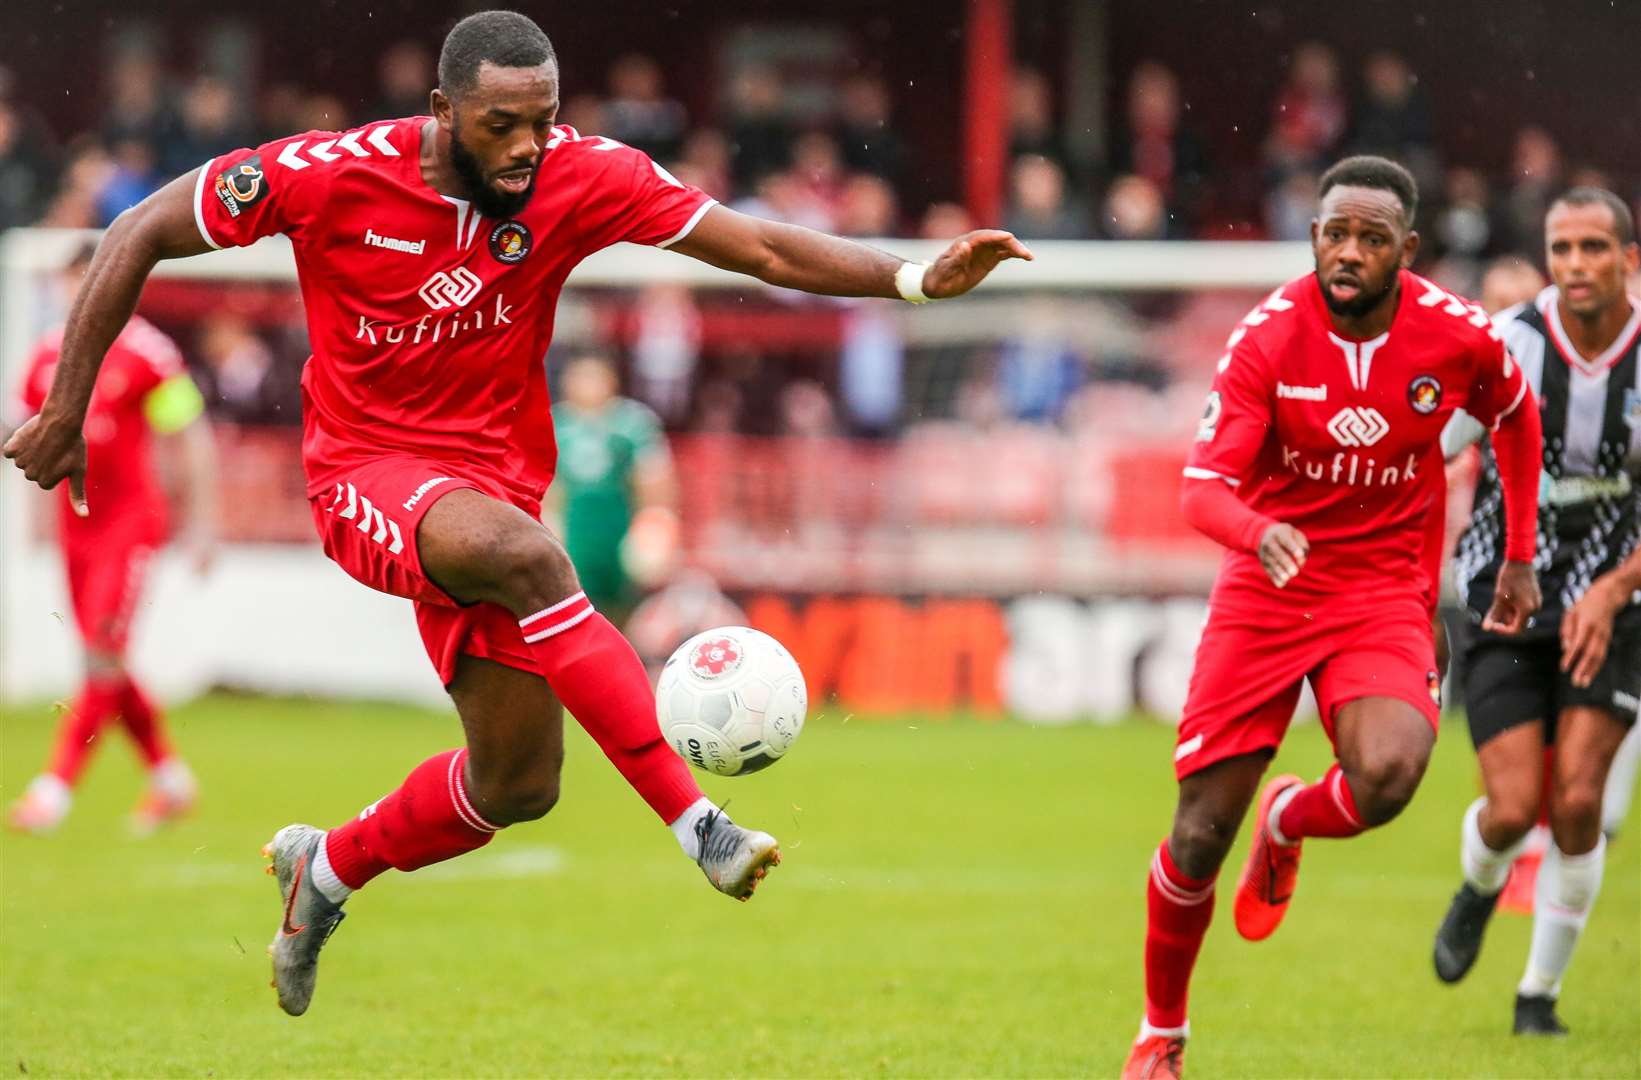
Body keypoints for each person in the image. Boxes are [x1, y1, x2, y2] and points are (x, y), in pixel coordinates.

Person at [2, 10, 1031, 1018]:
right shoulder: (326, 173)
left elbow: (755, 246)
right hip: (364, 471)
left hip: (490, 492)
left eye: (544, 118)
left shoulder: (581, 172)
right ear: (445, 110)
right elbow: (136, 231)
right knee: (532, 559)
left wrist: (911, 279)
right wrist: (62, 409)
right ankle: (699, 824)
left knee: (517, 784)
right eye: (504, 124)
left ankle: (326, 869)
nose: (530, 145)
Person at [1121, 155, 1543, 1080]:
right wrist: (1256, 526)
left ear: (1408, 250)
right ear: (1314, 235)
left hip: (1381, 588)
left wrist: (1517, 552)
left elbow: (1514, 413)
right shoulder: (1266, 339)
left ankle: (1291, 819)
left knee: (1390, 773)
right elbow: (1201, 491)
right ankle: (1161, 1031)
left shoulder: (1456, 337)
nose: (1347, 252)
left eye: (1370, 238)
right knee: (1196, 833)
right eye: (1333, 234)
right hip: (1266, 592)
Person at [1432, 187, 1640, 1036]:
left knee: (1581, 801)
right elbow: (1427, 452)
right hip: (1504, 598)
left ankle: (1536, 998)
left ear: (1627, 259)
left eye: (1593, 248)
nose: (1575, 265)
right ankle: (1478, 887)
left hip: (1617, 603)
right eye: (1561, 249)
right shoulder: (1507, 341)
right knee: (1514, 809)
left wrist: (1616, 585)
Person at [6, 241, 216, 836]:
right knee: (107, 660)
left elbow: (191, 437)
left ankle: (53, 791)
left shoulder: (148, 351)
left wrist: (201, 524)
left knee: (100, 650)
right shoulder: (47, 356)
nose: (75, 292)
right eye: (69, 280)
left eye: (86, 279)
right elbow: (27, 435)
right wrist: (35, 519)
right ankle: (171, 780)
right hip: (76, 529)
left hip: (130, 525)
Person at [548, 352, 677, 624]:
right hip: (576, 528)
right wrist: (549, 523)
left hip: (618, 524)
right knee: (573, 601)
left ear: (611, 380)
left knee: (625, 601)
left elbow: (653, 482)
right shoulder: (555, 424)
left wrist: (653, 525)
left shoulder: (633, 424)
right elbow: (549, 487)